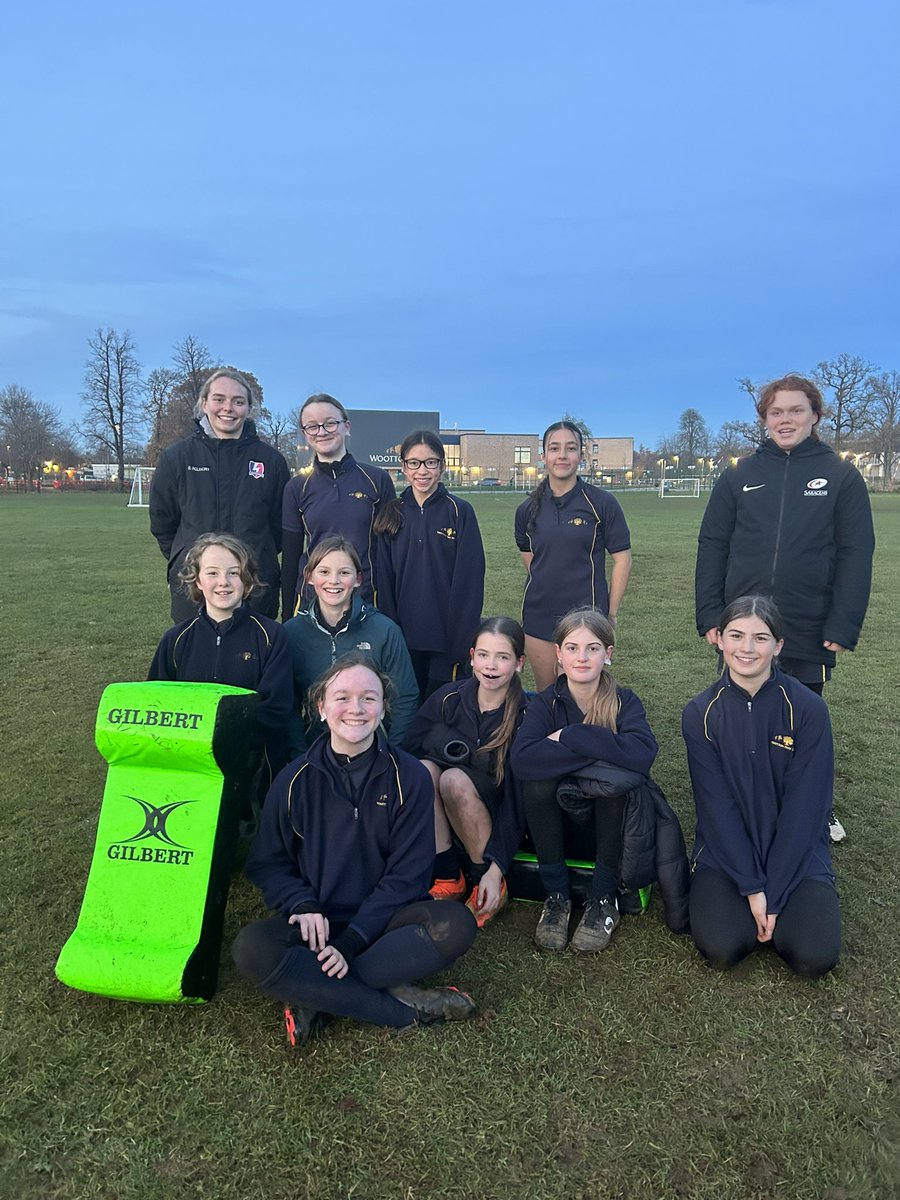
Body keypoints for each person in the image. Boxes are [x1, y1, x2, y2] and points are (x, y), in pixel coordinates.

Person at [232, 654, 478, 1042]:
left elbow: (407, 876)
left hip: (383, 925)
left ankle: (312, 990)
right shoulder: (293, 779)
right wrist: (301, 903)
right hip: (314, 926)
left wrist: (351, 942)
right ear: (321, 707)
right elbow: (268, 863)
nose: (356, 709)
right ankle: (401, 1010)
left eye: (369, 698)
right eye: (342, 697)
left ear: (383, 709)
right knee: (251, 948)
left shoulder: (410, 777)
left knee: (456, 924)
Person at [695, 373, 875, 840]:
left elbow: (857, 552)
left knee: (802, 719)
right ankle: (743, 799)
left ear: (816, 415)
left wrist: (843, 621)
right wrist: (711, 614)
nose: (786, 419)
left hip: (808, 624)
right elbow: (713, 544)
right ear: (764, 419)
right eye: (776, 412)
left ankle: (813, 807)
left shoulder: (840, 475)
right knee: (742, 714)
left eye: (796, 410)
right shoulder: (740, 475)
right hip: (744, 626)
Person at [682, 595, 841, 977]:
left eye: (761, 638)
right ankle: (744, 899)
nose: (747, 648)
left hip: (798, 856)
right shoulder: (700, 713)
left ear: (778, 645)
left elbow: (807, 808)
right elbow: (715, 809)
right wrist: (753, 887)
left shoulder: (807, 709)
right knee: (724, 946)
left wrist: (776, 892)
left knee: (812, 956)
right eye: (736, 635)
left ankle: (786, 904)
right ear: (719, 639)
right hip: (725, 854)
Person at [511, 608, 658, 953]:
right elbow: (523, 759)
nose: (582, 657)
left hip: (611, 829)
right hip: (556, 827)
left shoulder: (625, 701)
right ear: (558, 654)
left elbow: (642, 755)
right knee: (538, 783)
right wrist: (605, 749)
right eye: (573, 648)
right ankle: (557, 896)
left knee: (613, 785)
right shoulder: (546, 703)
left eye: (592, 648)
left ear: (608, 654)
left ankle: (604, 898)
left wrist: (571, 736)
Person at [402, 617, 528, 927]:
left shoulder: (527, 714)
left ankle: (484, 879)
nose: (491, 665)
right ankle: (447, 875)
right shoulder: (449, 698)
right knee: (423, 770)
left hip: (497, 812)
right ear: (471, 657)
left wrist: (497, 868)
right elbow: (407, 752)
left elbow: (519, 798)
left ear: (519, 663)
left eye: (503, 657)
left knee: (453, 779)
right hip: (447, 806)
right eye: (483, 655)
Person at [147, 533, 293, 782]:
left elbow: (276, 710)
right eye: (212, 573)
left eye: (233, 573)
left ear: (247, 582)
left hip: (252, 771)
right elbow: (156, 706)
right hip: (191, 765)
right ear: (198, 581)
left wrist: (229, 739)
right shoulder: (175, 640)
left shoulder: (271, 636)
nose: (223, 582)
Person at [150, 368, 290, 623]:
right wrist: (190, 558)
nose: (228, 408)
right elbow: (163, 523)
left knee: (255, 658)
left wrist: (256, 556)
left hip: (256, 586)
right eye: (219, 399)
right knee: (196, 659)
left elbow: (280, 528)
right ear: (204, 404)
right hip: (194, 587)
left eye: (238, 401)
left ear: (248, 408)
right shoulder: (176, 458)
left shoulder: (271, 462)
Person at [514, 421, 632, 692]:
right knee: (549, 695)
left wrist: (610, 614)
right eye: (554, 448)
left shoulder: (602, 503)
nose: (562, 455)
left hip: (586, 617)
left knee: (583, 695)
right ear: (543, 456)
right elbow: (530, 557)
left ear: (581, 455)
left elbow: (622, 560)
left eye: (570, 448)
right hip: (538, 617)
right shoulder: (526, 510)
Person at [374, 430, 486, 701]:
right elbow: (384, 582)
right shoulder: (392, 513)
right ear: (403, 466)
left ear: (442, 466)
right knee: (406, 710)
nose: (422, 471)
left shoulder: (459, 511)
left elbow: (469, 580)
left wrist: (460, 638)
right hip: (404, 640)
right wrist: (392, 634)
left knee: (442, 710)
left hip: (446, 640)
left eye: (430, 462)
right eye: (414, 462)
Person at [282, 537, 418, 754]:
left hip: (372, 749)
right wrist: (300, 756)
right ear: (309, 577)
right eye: (324, 572)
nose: (333, 581)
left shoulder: (385, 631)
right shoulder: (291, 633)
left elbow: (405, 698)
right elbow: (286, 704)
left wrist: (391, 755)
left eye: (344, 573)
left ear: (358, 579)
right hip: (314, 750)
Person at [281, 394, 395, 618]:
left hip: (365, 599)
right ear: (305, 433)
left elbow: (391, 551)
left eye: (330, 423)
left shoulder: (377, 479)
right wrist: (287, 616)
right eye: (312, 426)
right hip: (312, 601)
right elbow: (291, 559)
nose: (322, 432)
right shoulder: (297, 488)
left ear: (346, 427)